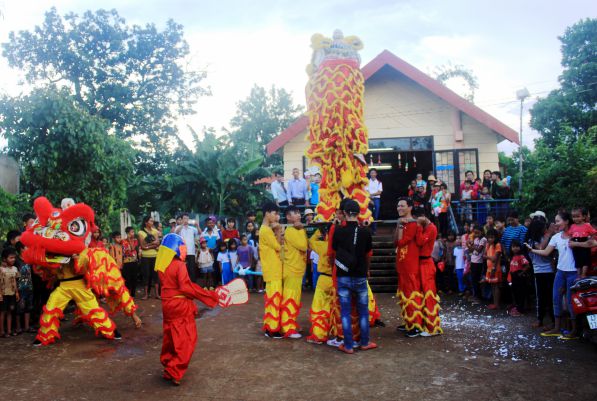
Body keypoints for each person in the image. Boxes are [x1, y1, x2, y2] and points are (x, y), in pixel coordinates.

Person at [155, 234, 238, 386]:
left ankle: (168, 366)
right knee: (186, 339)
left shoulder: (162, 264)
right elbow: (185, 287)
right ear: (177, 248)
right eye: (182, 246)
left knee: (170, 336)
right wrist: (207, 295)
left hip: (167, 305)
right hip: (179, 305)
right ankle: (174, 370)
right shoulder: (179, 265)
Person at [332, 199, 376, 353]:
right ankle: (364, 342)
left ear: (344, 213)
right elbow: (368, 254)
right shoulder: (365, 231)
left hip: (343, 275)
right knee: (363, 311)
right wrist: (367, 269)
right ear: (359, 213)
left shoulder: (338, 230)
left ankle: (348, 345)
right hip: (360, 275)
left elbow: (334, 250)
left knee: (345, 312)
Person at [530, 211, 579, 339]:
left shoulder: (576, 235)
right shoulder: (556, 237)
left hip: (573, 272)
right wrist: (532, 250)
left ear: (566, 221)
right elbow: (545, 252)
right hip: (560, 272)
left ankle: (574, 330)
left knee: (570, 301)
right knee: (556, 299)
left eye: (558, 221)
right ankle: (557, 328)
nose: (555, 224)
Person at [394, 197, 423, 338]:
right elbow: (395, 241)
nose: (399, 208)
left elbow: (401, 242)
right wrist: (399, 226)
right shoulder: (403, 223)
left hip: (410, 265)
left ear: (410, 207)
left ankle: (415, 325)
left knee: (411, 294)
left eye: (402, 205)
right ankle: (408, 322)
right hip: (402, 264)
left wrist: (400, 226)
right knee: (404, 294)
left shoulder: (412, 224)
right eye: (398, 205)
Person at [280, 206, 308, 338]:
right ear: (288, 217)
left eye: (298, 213)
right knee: (290, 299)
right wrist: (302, 229)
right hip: (291, 270)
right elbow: (303, 246)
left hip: (296, 270)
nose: (298, 215)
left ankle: (292, 323)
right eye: (295, 213)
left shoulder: (295, 230)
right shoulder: (291, 231)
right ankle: (288, 328)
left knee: (295, 299)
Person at [415, 210, 442, 336]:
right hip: (420, 264)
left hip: (426, 264)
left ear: (424, 216)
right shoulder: (427, 227)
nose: (417, 221)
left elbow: (420, 242)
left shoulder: (431, 228)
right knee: (422, 294)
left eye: (418, 218)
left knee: (429, 294)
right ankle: (424, 323)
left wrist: (419, 227)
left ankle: (433, 328)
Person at [306, 227, 336, 344]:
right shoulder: (340, 245)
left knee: (319, 307)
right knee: (333, 307)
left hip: (323, 279)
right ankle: (334, 334)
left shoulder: (323, 245)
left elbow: (310, 241)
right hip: (335, 280)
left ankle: (319, 334)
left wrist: (319, 230)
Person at [259, 202, 284, 338]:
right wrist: (279, 230)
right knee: (274, 299)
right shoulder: (266, 230)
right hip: (273, 270)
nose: (276, 216)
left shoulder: (265, 229)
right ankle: (273, 329)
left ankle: (270, 327)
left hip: (271, 269)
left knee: (271, 299)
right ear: (267, 213)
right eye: (275, 213)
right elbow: (278, 247)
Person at [526, 217, 555, 329]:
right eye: (544, 228)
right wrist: (549, 233)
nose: (546, 229)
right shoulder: (531, 241)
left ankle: (553, 320)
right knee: (540, 297)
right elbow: (542, 248)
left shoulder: (548, 237)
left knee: (551, 297)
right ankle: (540, 319)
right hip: (539, 271)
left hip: (550, 270)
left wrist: (550, 233)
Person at [569, 207, 596, 278]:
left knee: (585, 259)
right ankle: (578, 274)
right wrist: (570, 241)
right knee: (577, 260)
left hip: (584, 242)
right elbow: (570, 235)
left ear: (583, 217)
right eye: (573, 217)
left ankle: (583, 274)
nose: (575, 219)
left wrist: (591, 239)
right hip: (575, 243)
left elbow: (594, 233)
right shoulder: (572, 226)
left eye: (578, 216)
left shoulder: (587, 225)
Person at [139, 216, 161, 299]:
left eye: (152, 221)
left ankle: (157, 294)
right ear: (146, 222)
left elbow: (157, 243)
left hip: (155, 256)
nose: (152, 222)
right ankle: (145, 294)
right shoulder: (141, 232)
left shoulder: (155, 231)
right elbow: (142, 246)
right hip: (145, 257)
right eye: (150, 221)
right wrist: (153, 245)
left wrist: (148, 245)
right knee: (146, 275)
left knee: (156, 275)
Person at [15, 243, 34, 334]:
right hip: (20, 288)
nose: (28, 248)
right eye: (26, 246)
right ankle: (18, 327)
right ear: (21, 249)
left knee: (28, 307)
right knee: (19, 308)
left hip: (29, 286)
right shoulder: (16, 261)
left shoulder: (28, 259)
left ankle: (27, 327)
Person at [0, 247, 20, 337]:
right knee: (2, 312)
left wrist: (16, 292)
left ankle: (9, 330)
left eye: (14, 257)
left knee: (10, 311)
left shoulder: (15, 269)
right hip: (3, 294)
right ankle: (2, 331)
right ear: (4, 259)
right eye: (11, 258)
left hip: (12, 293)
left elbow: (15, 281)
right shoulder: (1, 269)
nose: (13, 259)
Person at [507, 241, 530, 316]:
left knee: (520, 293)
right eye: (513, 246)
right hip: (513, 277)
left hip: (519, 277)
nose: (515, 248)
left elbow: (527, 265)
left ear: (520, 248)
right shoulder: (512, 257)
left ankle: (521, 310)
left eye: (517, 246)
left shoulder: (521, 256)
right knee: (515, 293)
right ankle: (517, 307)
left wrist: (521, 273)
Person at [175, 213, 199, 283]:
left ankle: (192, 285)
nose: (186, 220)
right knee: (182, 269)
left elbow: (199, 233)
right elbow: (176, 232)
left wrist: (197, 225)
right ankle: (182, 284)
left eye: (187, 218)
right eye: (184, 218)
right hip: (182, 252)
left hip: (191, 252)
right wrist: (182, 224)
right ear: (181, 219)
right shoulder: (178, 227)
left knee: (191, 269)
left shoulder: (192, 229)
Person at [484, 229, 502, 310]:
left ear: (495, 237)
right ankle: (495, 303)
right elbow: (484, 255)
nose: (490, 239)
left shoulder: (497, 245)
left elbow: (495, 259)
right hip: (489, 268)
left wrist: (487, 257)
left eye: (492, 237)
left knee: (496, 286)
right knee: (493, 286)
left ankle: (497, 304)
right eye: (489, 237)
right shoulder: (489, 245)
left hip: (495, 268)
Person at [467, 224, 486, 304]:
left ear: (482, 232)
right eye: (475, 233)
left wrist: (472, 246)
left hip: (479, 262)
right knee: (473, 280)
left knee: (477, 280)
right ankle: (475, 296)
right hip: (473, 261)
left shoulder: (483, 239)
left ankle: (478, 297)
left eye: (477, 233)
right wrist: (469, 245)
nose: (476, 234)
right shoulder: (476, 239)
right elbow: (471, 250)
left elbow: (479, 250)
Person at [121, 226, 139, 298]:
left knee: (134, 277)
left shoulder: (135, 240)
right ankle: (127, 293)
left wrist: (130, 240)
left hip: (134, 261)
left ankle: (133, 294)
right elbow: (126, 251)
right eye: (132, 232)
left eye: (133, 232)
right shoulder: (123, 241)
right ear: (128, 233)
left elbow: (132, 248)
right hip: (126, 262)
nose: (133, 233)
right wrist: (128, 239)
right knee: (127, 278)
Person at [367, 168, 383, 234]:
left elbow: (379, 192)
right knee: (368, 214)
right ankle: (368, 230)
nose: (373, 174)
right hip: (368, 199)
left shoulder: (379, 182)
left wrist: (372, 195)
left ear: (376, 174)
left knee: (375, 215)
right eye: (371, 172)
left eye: (374, 172)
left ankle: (374, 230)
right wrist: (370, 197)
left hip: (376, 199)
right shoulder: (367, 181)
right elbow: (366, 190)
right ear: (370, 174)